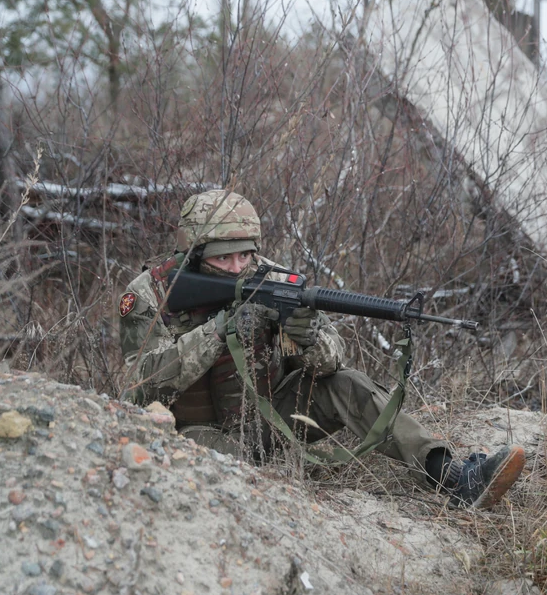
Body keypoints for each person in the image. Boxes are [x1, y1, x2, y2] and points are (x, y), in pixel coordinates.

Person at [118, 189, 524, 508]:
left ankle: (451, 476)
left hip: (270, 418)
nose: (239, 268)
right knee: (230, 465)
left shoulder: (271, 277)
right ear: (194, 253)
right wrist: (218, 331)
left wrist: (307, 335)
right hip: (195, 435)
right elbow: (140, 385)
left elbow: (332, 361)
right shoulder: (151, 294)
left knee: (348, 384)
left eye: (246, 255)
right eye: (225, 259)